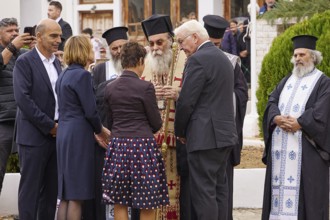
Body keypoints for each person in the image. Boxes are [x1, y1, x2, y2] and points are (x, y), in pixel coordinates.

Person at [174, 20, 238, 220]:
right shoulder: (223, 58)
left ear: (195, 37)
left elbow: (186, 102)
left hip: (204, 138)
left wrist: (180, 132)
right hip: (224, 136)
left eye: (181, 41)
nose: (180, 47)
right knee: (219, 191)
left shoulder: (198, 60)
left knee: (204, 194)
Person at [261, 35, 330, 219]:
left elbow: (323, 111)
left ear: (313, 57)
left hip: (307, 151)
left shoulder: (323, 82)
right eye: (296, 55)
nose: (297, 58)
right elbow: (272, 101)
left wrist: (300, 122)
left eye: (302, 54)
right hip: (280, 152)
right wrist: (276, 117)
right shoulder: (286, 81)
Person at [102, 41, 169, 220]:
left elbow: (110, 121)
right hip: (142, 147)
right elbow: (156, 124)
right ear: (140, 60)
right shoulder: (145, 87)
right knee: (148, 202)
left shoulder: (110, 88)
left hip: (118, 146)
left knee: (120, 200)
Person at [55, 35, 110, 220]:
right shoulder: (82, 75)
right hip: (78, 135)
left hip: (64, 132)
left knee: (65, 194)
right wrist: (101, 130)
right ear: (83, 50)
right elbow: (90, 111)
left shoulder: (64, 74)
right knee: (77, 194)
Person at [13, 18, 62, 220]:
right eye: (54, 35)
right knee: (30, 192)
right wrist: (50, 126)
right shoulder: (24, 62)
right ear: (39, 36)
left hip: (56, 136)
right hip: (34, 137)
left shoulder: (57, 62)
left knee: (51, 193)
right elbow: (23, 100)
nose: (58, 40)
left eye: (60, 35)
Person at [141, 14, 187, 219]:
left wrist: (178, 94)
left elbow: (196, 96)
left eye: (159, 42)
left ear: (170, 40)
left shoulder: (184, 59)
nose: (155, 48)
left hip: (177, 139)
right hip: (150, 140)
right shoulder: (146, 62)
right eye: (151, 43)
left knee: (176, 189)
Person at [203, 14, 249, 220]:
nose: (213, 47)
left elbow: (241, 94)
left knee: (222, 189)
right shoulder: (192, 59)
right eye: (209, 44)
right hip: (199, 137)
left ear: (221, 42)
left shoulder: (231, 63)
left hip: (223, 137)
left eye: (216, 44)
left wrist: (219, 96)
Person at [82, 26, 129, 220]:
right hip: (105, 139)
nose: (119, 51)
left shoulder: (139, 66)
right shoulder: (100, 69)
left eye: (122, 47)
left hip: (128, 137)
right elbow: (92, 102)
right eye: (115, 48)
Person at [0, 17, 35, 196]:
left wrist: (37, 50)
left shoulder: (22, 55)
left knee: (29, 172)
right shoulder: (10, 51)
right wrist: (12, 46)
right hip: (3, 122)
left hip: (24, 121)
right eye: (9, 30)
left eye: (16, 30)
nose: (14, 33)